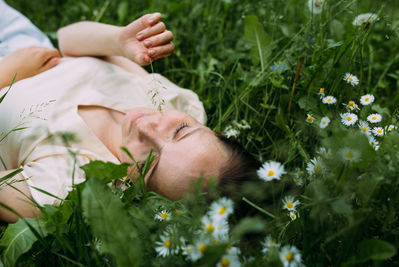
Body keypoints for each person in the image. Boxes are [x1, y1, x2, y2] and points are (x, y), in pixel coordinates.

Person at [0, 1, 260, 223]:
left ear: (147, 199)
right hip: (21, 39)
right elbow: (67, 39)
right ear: (211, 131)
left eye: (152, 163)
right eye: (180, 130)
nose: (146, 128)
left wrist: (7, 73)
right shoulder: (174, 103)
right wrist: (117, 41)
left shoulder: (68, 184)